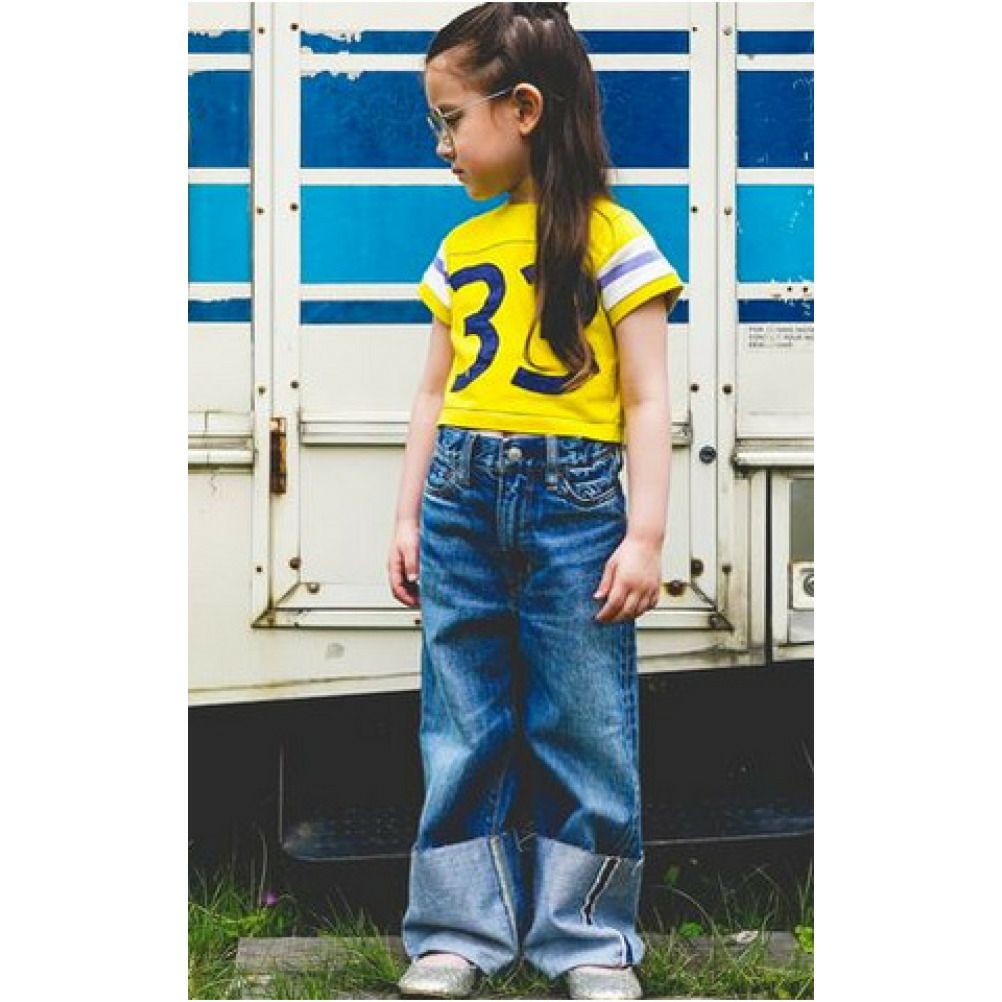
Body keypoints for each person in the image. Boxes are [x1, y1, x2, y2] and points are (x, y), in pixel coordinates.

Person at [387, 4, 683, 998]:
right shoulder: (460, 246)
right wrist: (406, 516)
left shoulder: (616, 240)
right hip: (459, 500)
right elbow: (432, 393)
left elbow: (647, 397)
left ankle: (588, 937)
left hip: (577, 505)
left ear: (522, 109)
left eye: (450, 119)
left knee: (583, 720)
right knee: (461, 717)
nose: (442, 145)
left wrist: (645, 534)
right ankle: (456, 932)